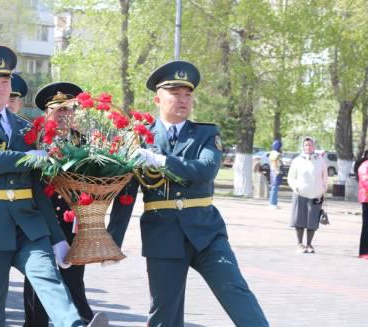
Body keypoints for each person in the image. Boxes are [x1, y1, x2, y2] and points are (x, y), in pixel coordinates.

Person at [0, 45, 107, 327]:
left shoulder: (24, 127)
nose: (0, 88)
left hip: (28, 224)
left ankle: (74, 324)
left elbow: (37, 189)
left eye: (5, 82)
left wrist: (57, 238)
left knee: (49, 281)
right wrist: (26, 158)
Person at [108, 61, 268, 327]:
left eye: (188, 94)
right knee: (164, 312)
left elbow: (205, 170)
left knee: (236, 292)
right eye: (176, 94)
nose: (183, 100)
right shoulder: (139, 138)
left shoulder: (206, 133)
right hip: (162, 233)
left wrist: (160, 162)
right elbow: (127, 195)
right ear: (158, 99)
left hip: (205, 231)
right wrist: (112, 241)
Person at [23, 82, 100, 326]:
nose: (64, 115)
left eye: (69, 110)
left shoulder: (84, 143)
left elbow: (94, 181)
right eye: (59, 110)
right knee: (39, 284)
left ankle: (80, 320)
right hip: (40, 221)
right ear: (48, 113)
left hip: (72, 223)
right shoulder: (34, 142)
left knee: (74, 279)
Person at [287, 137, 327, 254]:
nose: (308, 147)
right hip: (300, 194)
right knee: (299, 219)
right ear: (303, 147)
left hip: (316, 195)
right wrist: (296, 187)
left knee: (312, 220)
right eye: (306, 145)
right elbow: (291, 177)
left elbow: (324, 177)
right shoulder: (297, 160)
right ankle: (300, 244)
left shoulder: (320, 160)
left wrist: (323, 191)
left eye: (310, 145)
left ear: (314, 146)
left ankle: (309, 244)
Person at [357, 150, 368, 259]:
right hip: (366, 199)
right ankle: (364, 251)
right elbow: (366, 182)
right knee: (366, 226)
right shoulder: (364, 166)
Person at [268, 139, 283, 209]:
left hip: (274, 171)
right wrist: (278, 171)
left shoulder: (273, 152)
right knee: (274, 188)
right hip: (275, 171)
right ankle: (272, 203)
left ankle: (274, 203)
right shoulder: (276, 153)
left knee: (275, 188)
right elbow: (275, 162)